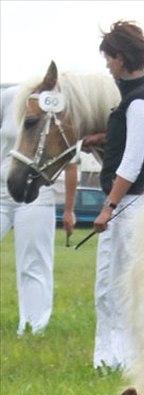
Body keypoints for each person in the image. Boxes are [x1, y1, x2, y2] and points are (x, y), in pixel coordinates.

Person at [89, 20, 144, 371]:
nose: (107, 64)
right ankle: (110, 359)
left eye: (109, 58)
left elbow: (134, 162)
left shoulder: (139, 102)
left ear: (121, 57)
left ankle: (119, 361)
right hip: (133, 204)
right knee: (112, 285)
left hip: (130, 204)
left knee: (115, 286)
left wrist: (108, 206)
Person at [1, 85, 77, 336]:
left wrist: (69, 209)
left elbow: (69, 161)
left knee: (34, 261)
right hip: (2, 189)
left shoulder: (55, 106)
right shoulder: (7, 99)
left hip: (38, 192)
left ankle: (34, 327)